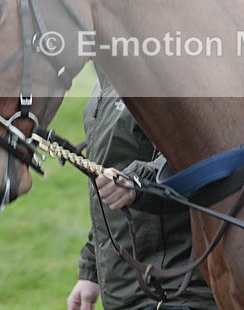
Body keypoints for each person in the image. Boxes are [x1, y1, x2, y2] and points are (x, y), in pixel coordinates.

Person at [67, 69, 217, 310]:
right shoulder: (107, 77)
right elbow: (108, 185)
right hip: (125, 291)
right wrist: (91, 271)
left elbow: (193, 156)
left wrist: (137, 182)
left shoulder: (171, 72)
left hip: (174, 291)